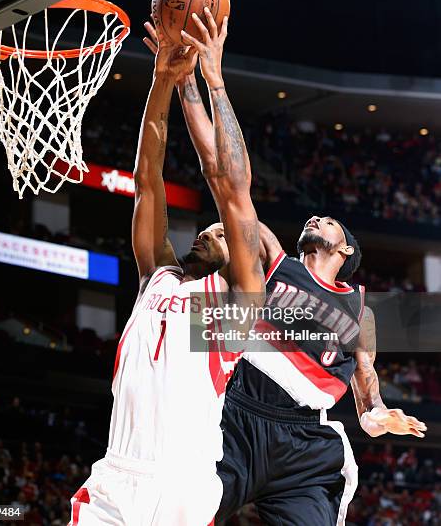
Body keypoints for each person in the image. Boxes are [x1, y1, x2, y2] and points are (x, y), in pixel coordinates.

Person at [161, 46, 427, 525]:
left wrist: (378, 417)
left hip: (304, 443)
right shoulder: (271, 259)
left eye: (327, 221)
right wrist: (195, 85)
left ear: (344, 253)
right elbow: (226, 181)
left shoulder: (360, 311)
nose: (316, 217)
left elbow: (367, 396)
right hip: (234, 418)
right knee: (170, 513)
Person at [69, 9, 264, 526]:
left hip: (182, 484)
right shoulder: (158, 273)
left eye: (222, 232)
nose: (209, 228)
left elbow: (232, 189)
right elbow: (147, 180)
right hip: (115, 476)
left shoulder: (238, 302)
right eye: (210, 226)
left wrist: (214, 82)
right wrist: (162, 83)